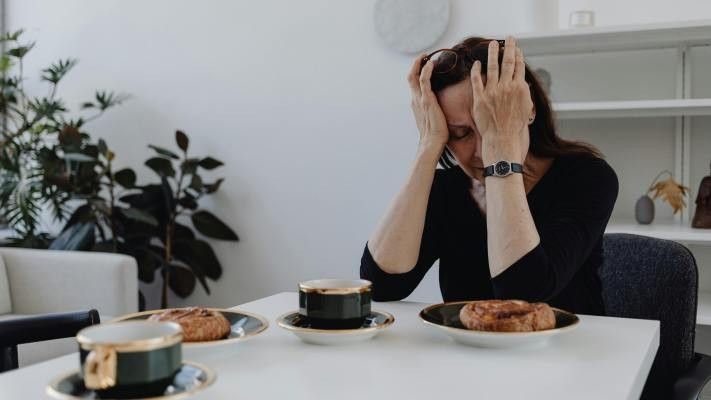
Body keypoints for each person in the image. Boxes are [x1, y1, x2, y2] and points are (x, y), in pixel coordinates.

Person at [359, 36, 618, 315]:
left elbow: (523, 296)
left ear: (528, 107)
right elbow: (381, 286)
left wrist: (501, 148)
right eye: (461, 134)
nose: (482, 151)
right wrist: (428, 145)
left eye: (490, 123)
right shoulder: (448, 188)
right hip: (470, 354)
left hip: (572, 352)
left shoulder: (587, 177)